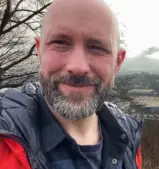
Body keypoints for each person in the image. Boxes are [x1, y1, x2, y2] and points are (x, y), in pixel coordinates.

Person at [0, 0, 143, 169]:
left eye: (96, 47)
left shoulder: (127, 138)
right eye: (60, 42)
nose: (78, 67)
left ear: (117, 63)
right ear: (39, 51)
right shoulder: (5, 141)